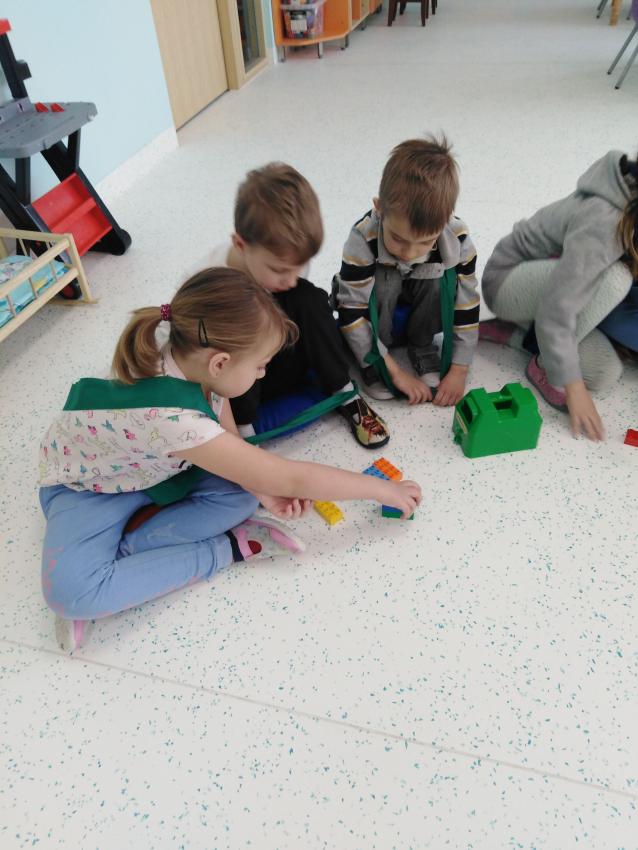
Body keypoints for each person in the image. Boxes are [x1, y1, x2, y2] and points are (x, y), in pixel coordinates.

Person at [39, 269, 421, 652]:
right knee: (72, 595)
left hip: (158, 469)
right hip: (87, 489)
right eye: (260, 365)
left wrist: (260, 487)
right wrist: (380, 490)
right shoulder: (174, 419)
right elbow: (290, 477)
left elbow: (234, 443)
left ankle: (119, 554)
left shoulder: (189, 349)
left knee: (244, 495)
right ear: (220, 363)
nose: (263, 373)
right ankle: (223, 551)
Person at [196, 162, 389, 449]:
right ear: (241, 245)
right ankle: (246, 433)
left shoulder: (286, 268)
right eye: (279, 270)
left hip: (281, 357)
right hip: (241, 382)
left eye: (300, 266)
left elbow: (298, 302)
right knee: (241, 331)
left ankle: (344, 391)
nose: (291, 278)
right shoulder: (208, 280)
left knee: (309, 298)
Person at [480, 149, 638, 440]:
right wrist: (573, 387)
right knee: (617, 280)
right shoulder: (605, 221)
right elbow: (557, 308)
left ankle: (517, 333)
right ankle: (542, 362)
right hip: (508, 281)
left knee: (605, 372)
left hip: (557, 291)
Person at [332, 135, 480, 407]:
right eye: (398, 239)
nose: (409, 253)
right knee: (385, 279)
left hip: (417, 301)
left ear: (446, 219)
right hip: (378, 304)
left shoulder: (456, 237)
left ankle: (421, 344)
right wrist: (393, 371)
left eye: (425, 242)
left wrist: (459, 369)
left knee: (441, 278)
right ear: (379, 209)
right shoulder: (363, 236)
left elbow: (466, 304)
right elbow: (351, 309)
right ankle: (373, 363)